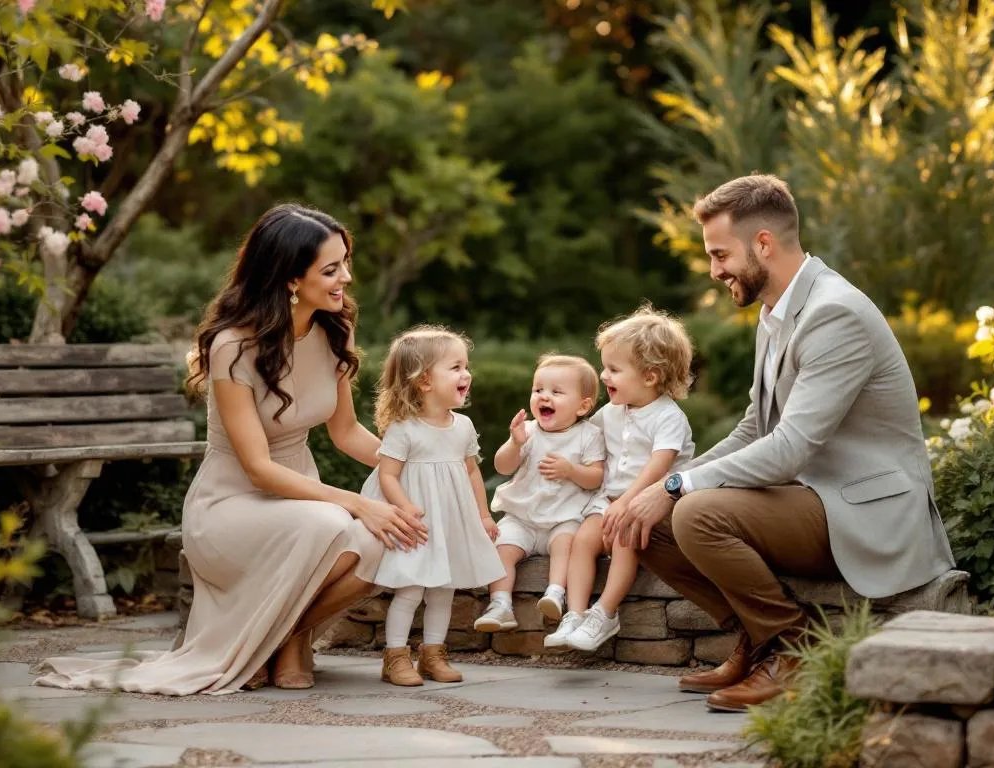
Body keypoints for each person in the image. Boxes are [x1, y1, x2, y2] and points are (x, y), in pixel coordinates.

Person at [34, 203, 426, 695]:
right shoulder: (232, 346)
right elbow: (258, 469)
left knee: (387, 540)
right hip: (230, 507)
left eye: (345, 262)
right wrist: (358, 502)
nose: (346, 277)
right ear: (289, 277)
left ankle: (286, 636)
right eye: (331, 268)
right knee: (334, 522)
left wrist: (419, 464)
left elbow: (346, 433)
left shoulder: (333, 330)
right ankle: (274, 643)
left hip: (300, 501)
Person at [613, 174, 957, 711]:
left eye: (721, 254)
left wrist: (679, 484)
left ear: (764, 244)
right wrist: (656, 488)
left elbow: (791, 446)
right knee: (646, 519)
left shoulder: (832, 313)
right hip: (810, 496)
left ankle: (796, 650)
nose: (714, 270)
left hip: (864, 509)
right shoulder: (776, 312)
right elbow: (755, 426)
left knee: (694, 513)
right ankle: (756, 638)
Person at [359, 326, 505, 686]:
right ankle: (395, 656)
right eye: (455, 367)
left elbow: (472, 472)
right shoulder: (404, 429)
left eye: (465, 366)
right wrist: (405, 508)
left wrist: (483, 515)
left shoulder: (463, 427)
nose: (466, 374)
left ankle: (433, 653)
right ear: (424, 381)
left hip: (450, 519)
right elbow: (388, 475)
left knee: (444, 588)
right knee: (412, 587)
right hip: (418, 522)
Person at [543, 308, 696, 652]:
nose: (603, 375)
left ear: (650, 377)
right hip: (609, 501)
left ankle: (605, 613)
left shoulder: (668, 417)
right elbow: (579, 435)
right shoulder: (611, 413)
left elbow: (658, 467)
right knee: (583, 539)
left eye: (613, 369)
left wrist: (627, 503)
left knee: (626, 540)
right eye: (604, 366)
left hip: (650, 504)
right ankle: (576, 615)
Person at [473, 355, 606, 633]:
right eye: (538, 390)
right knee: (501, 550)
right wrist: (513, 442)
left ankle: (555, 593)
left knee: (566, 545)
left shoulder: (589, 435)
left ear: (583, 406)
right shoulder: (529, 431)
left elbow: (596, 478)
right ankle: (500, 605)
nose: (544, 396)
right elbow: (502, 466)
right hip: (522, 517)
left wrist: (571, 470)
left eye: (556, 392)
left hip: (564, 518)